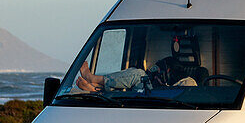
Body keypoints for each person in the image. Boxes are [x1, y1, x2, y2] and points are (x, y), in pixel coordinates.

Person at [73, 34, 209, 94]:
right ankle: (96, 88)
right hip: (149, 97)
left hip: (161, 104)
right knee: (137, 82)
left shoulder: (190, 82)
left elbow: (174, 96)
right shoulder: (162, 75)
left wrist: (161, 85)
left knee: (138, 74)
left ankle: (94, 80)